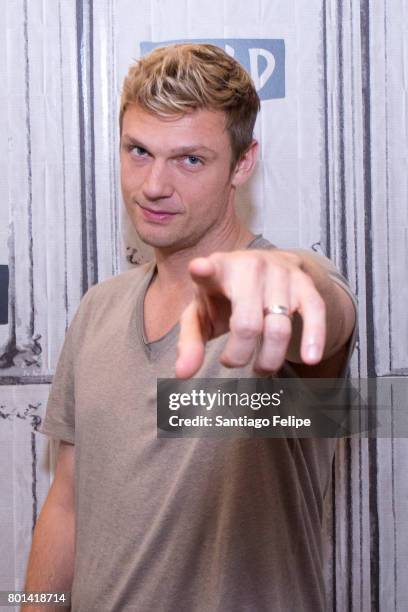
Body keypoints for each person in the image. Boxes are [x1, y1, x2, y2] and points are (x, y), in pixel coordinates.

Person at [24, 43, 357, 611]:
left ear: (243, 163)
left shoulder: (275, 295)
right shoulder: (97, 308)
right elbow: (68, 504)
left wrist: (295, 277)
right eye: (139, 151)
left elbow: (324, 312)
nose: (153, 185)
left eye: (190, 160)